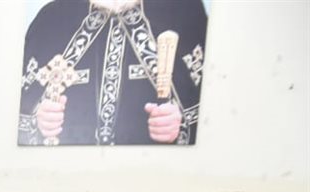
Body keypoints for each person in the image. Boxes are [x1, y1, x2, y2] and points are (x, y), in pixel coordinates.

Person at [19, 0, 207, 146]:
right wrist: (41, 120)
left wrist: (179, 123)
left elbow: (213, 116)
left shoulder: (183, 13)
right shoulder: (51, 20)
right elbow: (21, 116)